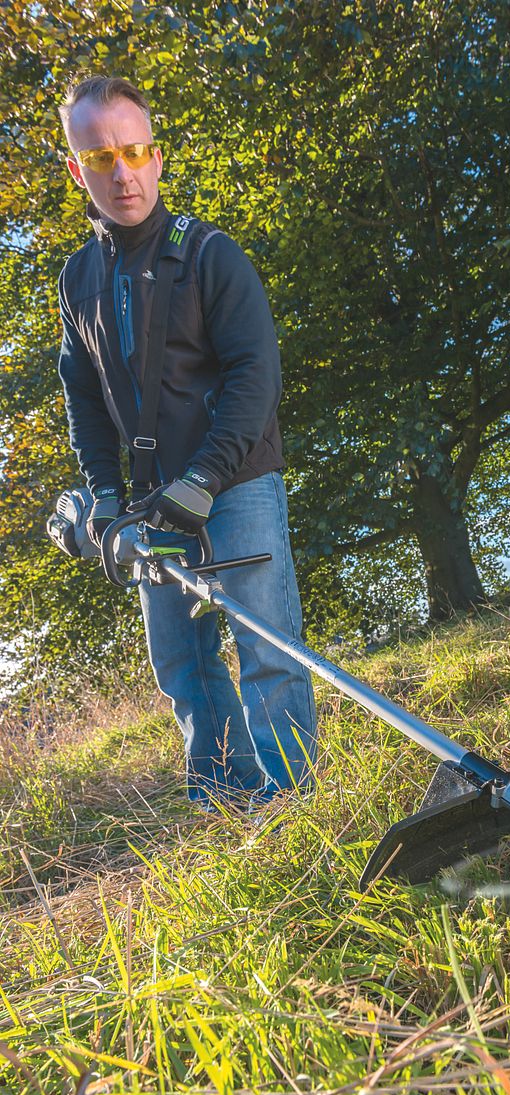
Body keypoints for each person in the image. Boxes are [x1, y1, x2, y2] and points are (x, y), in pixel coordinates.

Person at [56, 75, 317, 811]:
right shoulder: (78, 280)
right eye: (101, 157)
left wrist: (202, 479)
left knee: (268, 648)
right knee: (182, 662)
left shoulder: (210, 254)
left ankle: (291, 809)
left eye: (134, 151)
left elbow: (255, 376)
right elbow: (85, 398)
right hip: (146, 503)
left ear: (158, 157)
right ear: (78, 169)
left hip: (235, 484)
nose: (123, 172)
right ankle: (226, 800)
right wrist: (106, 498)